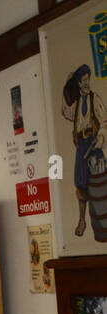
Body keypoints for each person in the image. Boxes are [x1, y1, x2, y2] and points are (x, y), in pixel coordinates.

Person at [62, 64, 107, 238]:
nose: (87, 83)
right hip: (81, 147)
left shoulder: (95, 99)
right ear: (79, 83)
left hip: (94, 144)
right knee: (81, 184)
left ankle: (102, 221)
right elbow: (65, 112)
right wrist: (67, 86)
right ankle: (82, 220)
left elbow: (104, 121)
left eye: (88, 79)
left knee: (99, 183)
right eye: (84, 80)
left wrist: (102, 138)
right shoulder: (76, 104)